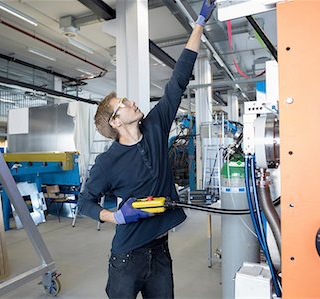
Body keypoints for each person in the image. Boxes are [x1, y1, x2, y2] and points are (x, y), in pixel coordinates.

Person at [78, 1, 215, 298]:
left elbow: (178, 81)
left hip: (161, 250)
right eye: (123, 105)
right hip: (127, 256)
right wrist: (115, 216)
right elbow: (84, 202)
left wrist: (199, 24)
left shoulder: (155, 126)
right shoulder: (108, 162)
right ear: (114, 122)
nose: (131, 103)